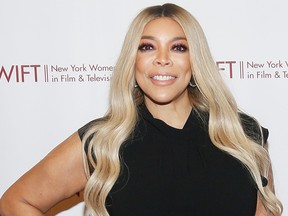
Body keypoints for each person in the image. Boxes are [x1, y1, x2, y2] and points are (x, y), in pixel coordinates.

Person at [0, 3, 283, 216]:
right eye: (147, 47)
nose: (162, 60)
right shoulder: (104, 142)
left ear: (195, 62)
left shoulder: (242, 133)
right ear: (132, 61)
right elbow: (16, 202)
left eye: (179, 48)